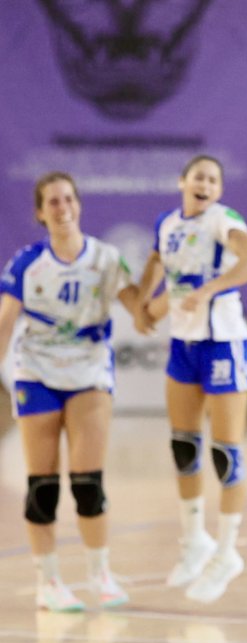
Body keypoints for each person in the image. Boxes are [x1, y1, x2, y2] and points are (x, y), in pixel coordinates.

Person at [0, 172, 138, 612]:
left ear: (78, 205)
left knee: (87, 483)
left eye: (68, 200)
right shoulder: (26, 263)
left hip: (89, 371)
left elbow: (142, 309)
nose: (62, 208)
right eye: (53, 203)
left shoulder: (107, 259)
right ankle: (48, 583)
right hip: (36, 372)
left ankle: (100, 575)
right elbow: (5, 323)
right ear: (41, 212)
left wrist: (182, 288)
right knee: (41, 485)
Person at [135, 155, 247, 603]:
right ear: (182, 182)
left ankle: (228, 550)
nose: (206, 184)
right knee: (183, 445)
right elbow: (157, 264)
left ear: (219, 190)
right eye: (199, 177)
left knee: (226, 453)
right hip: (183, 344)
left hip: (224, 342)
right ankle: (194, 541)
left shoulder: (223, 219)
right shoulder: (168, 223)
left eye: (213, 179)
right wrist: (145, 303)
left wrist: (208, 289)